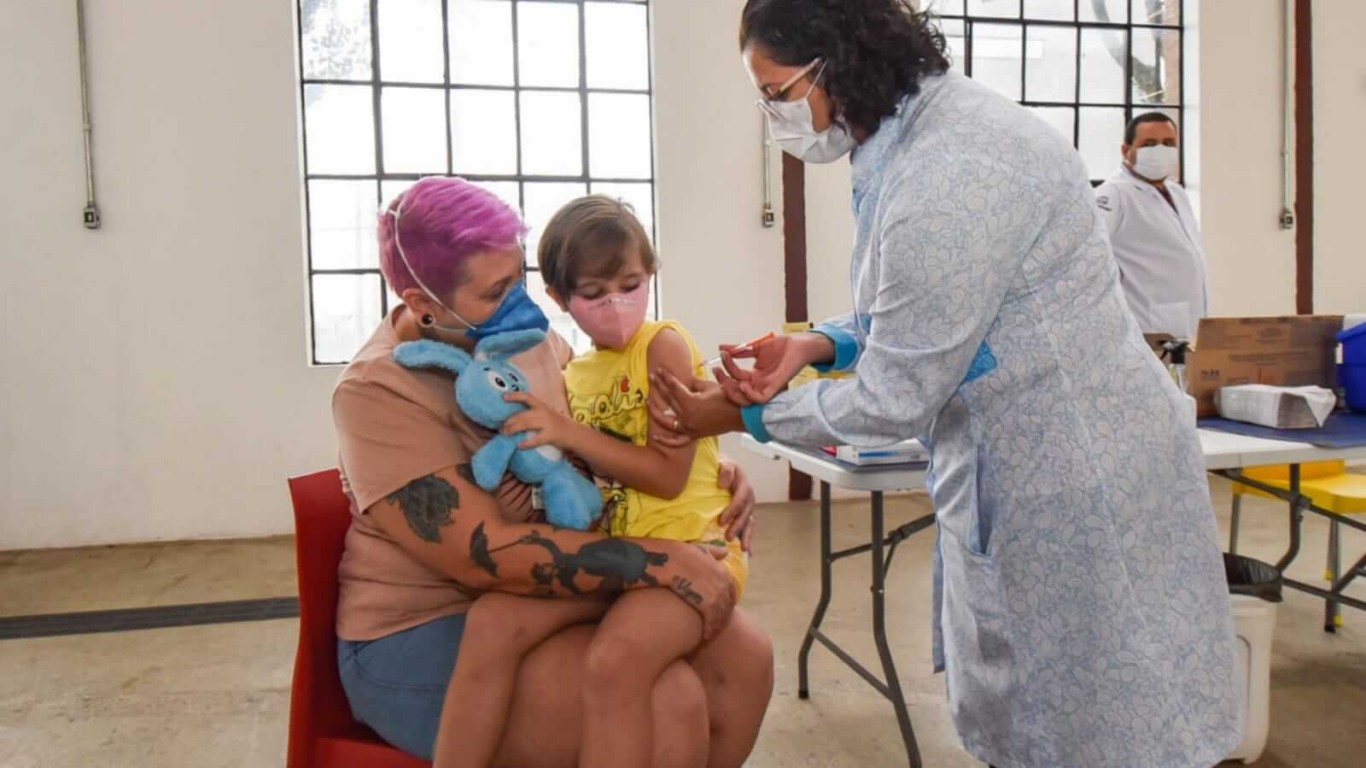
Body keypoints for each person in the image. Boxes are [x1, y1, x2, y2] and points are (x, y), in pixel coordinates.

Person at [648, 2, 1240, 767]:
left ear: (837, 64)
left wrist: (741, 416)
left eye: (776, 91)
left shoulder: (951, 172)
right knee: (1064, 708)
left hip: (1080, 476)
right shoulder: (920, 134)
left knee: (1102, 720)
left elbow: (898, 392)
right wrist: (818, 343)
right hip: (1043, 456)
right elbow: (937, 303)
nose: (772, 115)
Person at [331, 176, 773, 767]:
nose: (523, 304)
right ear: (422, 305)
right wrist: (652, 560)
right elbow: (477, 554)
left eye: (518, 279)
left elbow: (601, 431)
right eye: (495, 293)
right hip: (426, 627)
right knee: (666, 704)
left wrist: (706, 469)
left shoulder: (526, 345)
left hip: (554, 589)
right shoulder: (378, 391)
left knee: (746, 659)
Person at [433, 195, 752, 768]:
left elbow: (668, 475)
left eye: (631, 283)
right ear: (558, 298)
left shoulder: (662, 347)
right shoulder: (574, 371)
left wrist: (567, 433)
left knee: (615, 661)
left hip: (691, 550)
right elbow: (586, 469)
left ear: (651, 271)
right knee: (492, 619)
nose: (617, 304)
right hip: (620, 552)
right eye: (594, 293)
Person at [1095, 112, 1208, 340]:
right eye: (1149, 144)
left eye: (1168, 143)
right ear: (1126, 151)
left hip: (1188, 325)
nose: (1160, 150)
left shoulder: (1176, 192)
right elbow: (1090, 254)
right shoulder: (1114, 194)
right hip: (1147, 326)